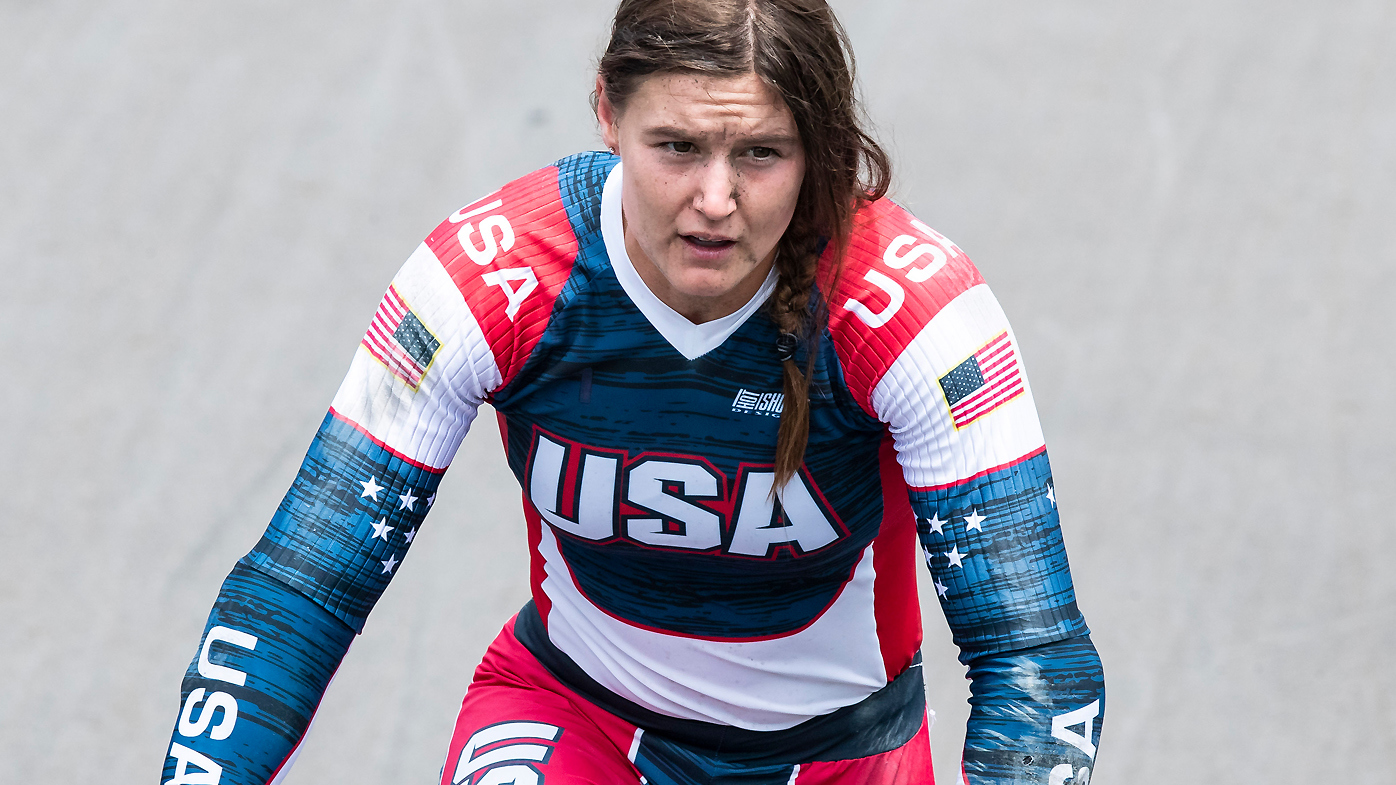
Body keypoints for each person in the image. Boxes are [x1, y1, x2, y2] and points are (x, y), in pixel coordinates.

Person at [159, 1, 1105, 783]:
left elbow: (1035, 656)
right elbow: (302, 585)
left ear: (816, 148)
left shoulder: (912, 309)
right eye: (678, 147)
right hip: (575, 726)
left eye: (762, 154)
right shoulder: (492, 278)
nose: (716, 199)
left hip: (839, 759)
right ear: (607, 114)